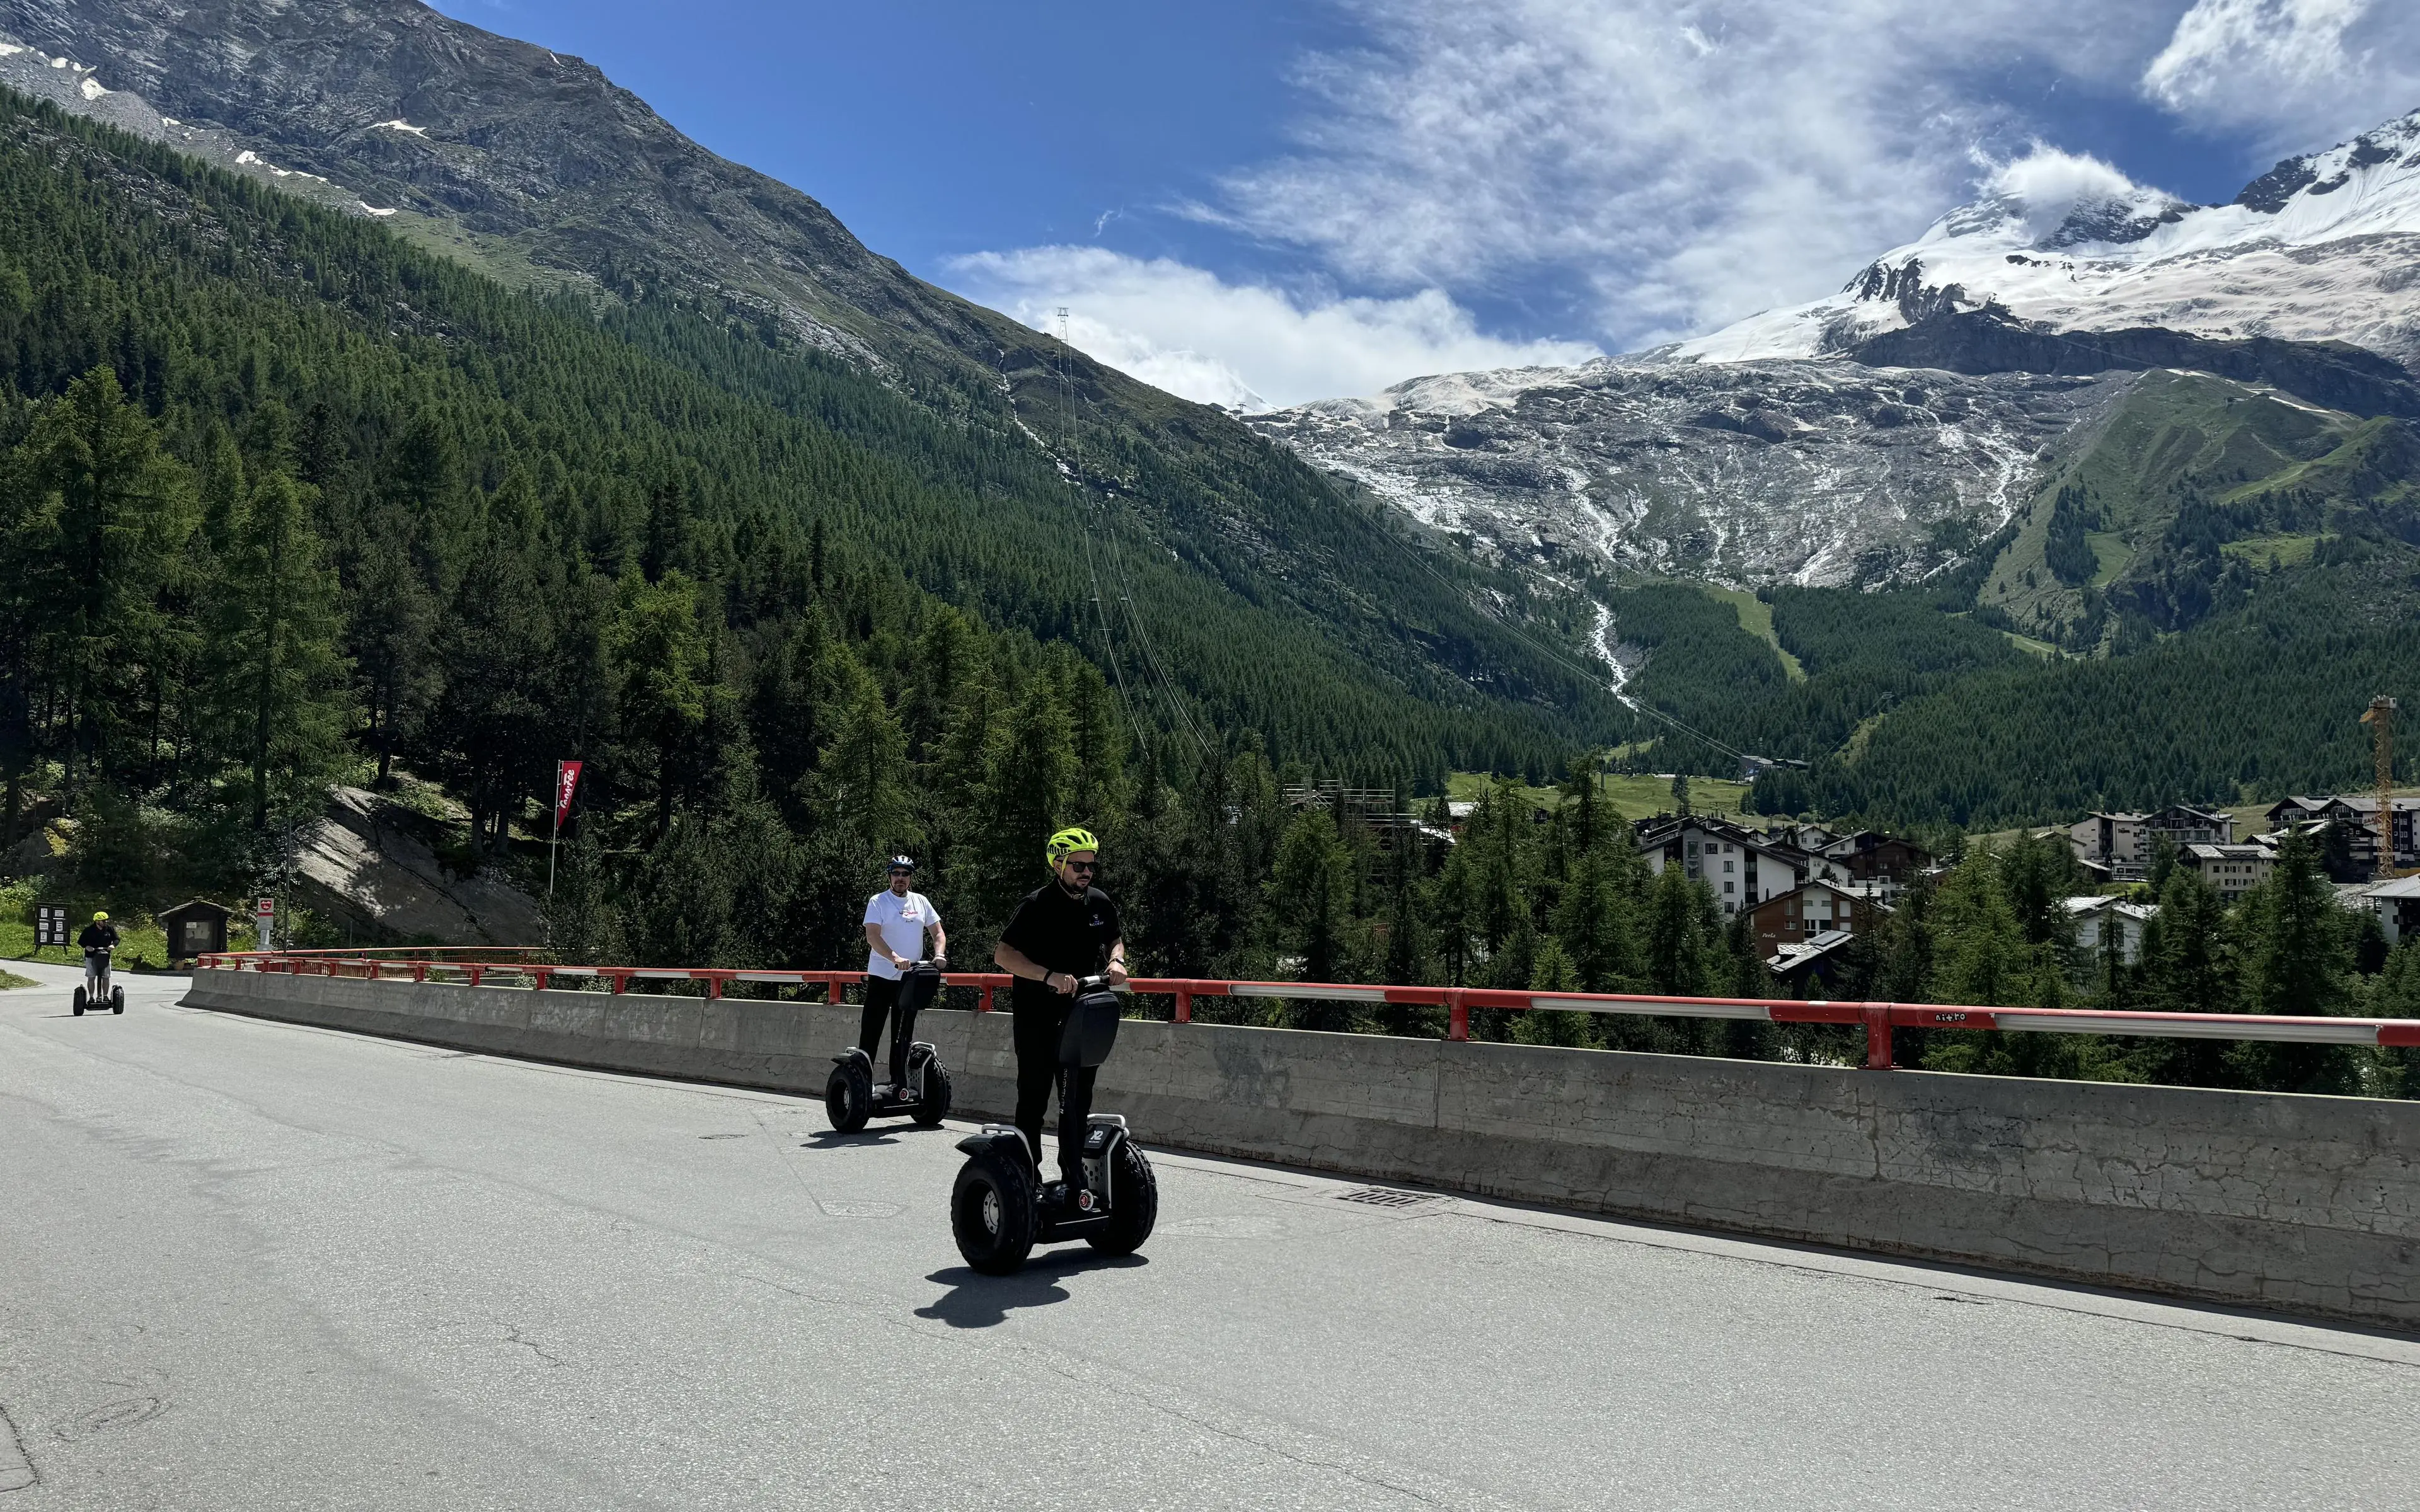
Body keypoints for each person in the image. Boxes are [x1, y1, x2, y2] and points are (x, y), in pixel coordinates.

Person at [992, 827, 1127, 1195]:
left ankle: (1074, 1178)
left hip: (1082, 1015)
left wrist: (1116, 960)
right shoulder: (1036, 905)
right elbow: (1003, 955)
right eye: (1078, 865)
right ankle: (1027, 1179)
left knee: (1078, 1102)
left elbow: (1114, 938)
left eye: (1091, 866)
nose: (1087, 872)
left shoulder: (1099, 902)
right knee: (1033, 1099)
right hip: (1037, 1016)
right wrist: (1048, 976)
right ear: (1058, 865)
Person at [860, 856, 946, 1096]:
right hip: (882, 976)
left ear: (910, 877)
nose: (901, 878)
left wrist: (939, 954)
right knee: (872, 1031)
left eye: (905, 874)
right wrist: (894, 957)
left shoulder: (921, 902)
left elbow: (938, 933)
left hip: (910, 979)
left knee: (902, 1034)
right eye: (896, 873)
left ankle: (898, 1082)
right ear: (890, 876)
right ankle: (864, 1082)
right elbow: (873, 936)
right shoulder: (878, 902)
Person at [78, 911, 120, 995]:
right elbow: (81, 941)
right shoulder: (89, 930)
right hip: (91, 956)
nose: (105, 922)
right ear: (97, 921)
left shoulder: (109, 929)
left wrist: (113, 945)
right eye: (103, 921)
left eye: (106, 921)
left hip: (105, 956)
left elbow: (117, 939)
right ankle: (91, 997)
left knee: (106, 977)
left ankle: (105, 996)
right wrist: (87, 946)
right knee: (91, 977)